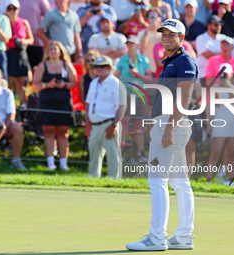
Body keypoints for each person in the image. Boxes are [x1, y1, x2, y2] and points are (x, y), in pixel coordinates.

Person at [126, 19, 196, 251]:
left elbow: (184, 99)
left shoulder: (184, 60)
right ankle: (184, 236)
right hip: (170, 123)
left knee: (157, 180)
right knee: (179, 182)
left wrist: (168, 128)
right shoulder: (172, 62)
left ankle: (157, 237)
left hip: (171, 125)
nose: (166, 37)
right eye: (164, 33)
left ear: (182, 38)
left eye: (172, 34)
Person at [32, 41, 77, 170]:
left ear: (60, 51)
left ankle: (63, 163)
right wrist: (47, 85)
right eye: (50, 49)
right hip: (47, 103)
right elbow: (34, 85)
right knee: (49, 132)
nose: (53, 51)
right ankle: (50, 163)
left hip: (63, 103)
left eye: (55, 49)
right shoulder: (42, 66)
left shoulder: (67, 65)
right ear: (47, 51)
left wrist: (64, 85)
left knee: (63, 132)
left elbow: (74, 82)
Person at [85, 55, 127, 178]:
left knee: (113, 154)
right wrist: (88, 123)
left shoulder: (115, 83)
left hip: (109, 123)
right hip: (95, 125)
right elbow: (88, 104)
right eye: (96, 66)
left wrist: (114, 125)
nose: (98, 69)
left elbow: (122, 106)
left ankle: (114, 180)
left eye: (102, 66)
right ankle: (93, 178)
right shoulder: (94, 82)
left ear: (109, 68)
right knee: (93, 153)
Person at [114, 35, 153, 164]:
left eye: (132, 43)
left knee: (139, 124)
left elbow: (149, 78)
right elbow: (115, 77)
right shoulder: (122, 60)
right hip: (125, 95)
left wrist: (138, 75)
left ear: (137, 46)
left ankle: (140, 152)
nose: (130, 46)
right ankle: (121, 150)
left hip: (139, 96)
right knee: (124, 122)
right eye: (128, 44)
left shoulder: (143, 60)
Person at [206, 63, 234, 185]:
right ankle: (208, 181)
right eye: (221, 74)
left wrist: (227, 86)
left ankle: (230, 180)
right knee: (216, 153)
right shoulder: (214, 88)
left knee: (231, 154)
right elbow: (216, 104)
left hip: (233, 123)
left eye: (226, 74)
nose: (223, 77)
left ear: (231, 74)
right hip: (219, 123)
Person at [5, 0, 34, 104]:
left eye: (14, 8)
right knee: (9, 86)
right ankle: (11, 108)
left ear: (18, 10)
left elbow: (31, 40)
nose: (12, 11)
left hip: (21, 54)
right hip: (9, 54)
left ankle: (23, 110)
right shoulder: (4, 22)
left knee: (24, 86)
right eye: (10, 8)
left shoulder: (24, 22)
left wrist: (23, 41)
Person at [18, 0, 51, 69]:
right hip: (19, 44)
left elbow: (50, 18)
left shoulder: (41, 1)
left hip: (37, 43)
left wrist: (46, 40)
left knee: (37, 71)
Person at [195, 14, 226, 84]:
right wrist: (223, 54)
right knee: (204, 95)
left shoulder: (224, 38)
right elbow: (208, 55)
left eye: (220, 25)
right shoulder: (201, 38)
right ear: (208, 25)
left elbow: (230, 53)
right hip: (204, 74)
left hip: (220, 75)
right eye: (216, 25)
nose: (218, 27)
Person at [137, 7, 162, 76]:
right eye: (151, 16)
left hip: (161, 69)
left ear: (160, 18)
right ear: (148, 18)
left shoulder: (164, 33)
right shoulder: (142, 33)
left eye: (155, 16)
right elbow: (141, 47)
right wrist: (147, 30)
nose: (153, 19)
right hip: (149, 70)